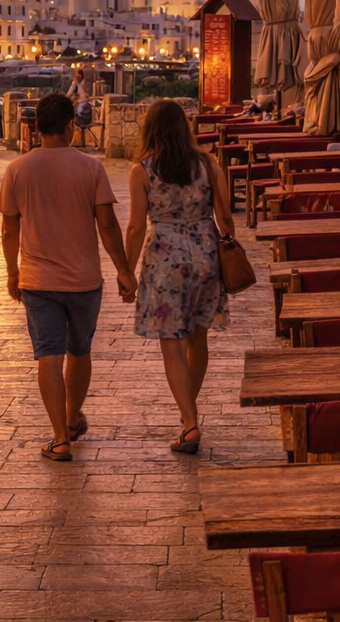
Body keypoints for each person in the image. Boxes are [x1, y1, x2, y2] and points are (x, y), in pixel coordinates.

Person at [0, 93, 135, 462]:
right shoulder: (90, 168)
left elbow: (9, 231)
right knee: (80, 350)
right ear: (71, 126)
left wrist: (12, 270)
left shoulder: (18, 169)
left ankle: (60, 437)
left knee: (48, 356)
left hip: (38, 280)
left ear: (36, 127)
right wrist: (123, 269)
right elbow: (107, 225)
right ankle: (73, 418)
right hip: (84, 280)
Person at [123, 99, 232, 455]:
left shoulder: (142, 171)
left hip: (165, 259)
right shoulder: (208, 164)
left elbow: (137, 225)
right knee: (198, 340)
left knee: (171, 344)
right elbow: (226, 217)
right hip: (205, 255)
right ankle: (189, 416)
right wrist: (227, 245)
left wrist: (126, 271)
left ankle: (190, 422)